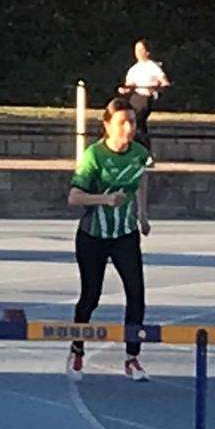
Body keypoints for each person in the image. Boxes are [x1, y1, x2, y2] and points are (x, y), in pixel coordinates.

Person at [67, 98, 154, 381]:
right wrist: (105, 199)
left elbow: (141, 178)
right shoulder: (94, 156)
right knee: (91, 296)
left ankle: (132, 357)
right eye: (122, 123)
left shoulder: (140, 152)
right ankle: (77, 348)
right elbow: (74, 197)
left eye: (132, 122)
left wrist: (142, 213)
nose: (128, 128)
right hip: (93, 235)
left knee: (136, 292)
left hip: (125, 235)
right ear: (107, 125)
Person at [119, 41, 171, 149]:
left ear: (147, 52)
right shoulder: (134, 69)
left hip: (145, 98)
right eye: (136, 49)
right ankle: (138, 148)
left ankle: (143, 148)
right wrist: (125, 90)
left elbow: (165, 82)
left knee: (137, 121)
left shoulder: (152, 67)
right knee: (135, 123)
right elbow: (130, 85)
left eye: (140, 49)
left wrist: (157, 88)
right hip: (135, 98)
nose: (138, 52)